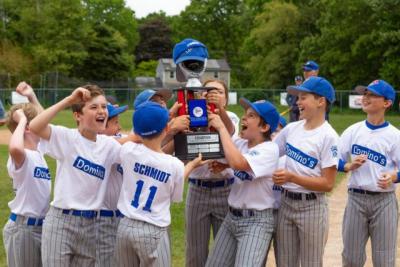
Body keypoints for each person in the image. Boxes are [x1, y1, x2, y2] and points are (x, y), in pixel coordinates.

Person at [29, 85, 123, 266]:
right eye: (94, 107)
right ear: (78, 115)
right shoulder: (67, 137)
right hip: (61, 222)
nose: (102, 111)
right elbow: (35, 126)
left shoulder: (109, 146)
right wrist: (69, 100)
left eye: (104, 107)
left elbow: (137, 156)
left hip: (91, 225)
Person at [115, 101, 207, 266]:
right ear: (166, 129)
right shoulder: (173, 164)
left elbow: (120, 143)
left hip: (125, 226)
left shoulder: (127, 150)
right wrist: (191, 166)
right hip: (153, 229)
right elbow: (175, 192)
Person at [272, 76, 339, 267]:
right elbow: (269, 154)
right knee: (285, 263)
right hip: (286, 203)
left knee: (311, 263)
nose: (298, 102)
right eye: (297, 98)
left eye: (303, 97)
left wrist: (292, 177)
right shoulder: (291, 129)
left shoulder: (329, 136)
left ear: (321, 101)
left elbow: (328, 184)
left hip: (312, 207)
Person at [205, 97, 280, 266]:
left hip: (256, 221)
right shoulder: (241, 143)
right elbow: (233, 158)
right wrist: (224, 165)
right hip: (231, 217)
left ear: (265, 127)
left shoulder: (270, 149)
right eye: (245, 114)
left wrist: (222, 128)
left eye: (252, 116)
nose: (244, 118)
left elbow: (239, 163)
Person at [338, 79, 400, 267]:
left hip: (384, 202)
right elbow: (332, 160)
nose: (365, 97)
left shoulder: (395, 135)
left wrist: (393, 177)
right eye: (365, 94)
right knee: (351, 259)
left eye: (372, 94)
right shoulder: (352, 131)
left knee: (384, 261)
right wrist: (348, 166)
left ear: (387, 103)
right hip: (356, 199)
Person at [185, 79, 238, 267]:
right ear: (202, 94)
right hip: (197, 189)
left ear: (226, 99)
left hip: (224, 190)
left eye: (219, 92)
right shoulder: (192, 115)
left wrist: (218, 110)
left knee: (225, 250)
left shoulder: (230, 117)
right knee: (195, 251)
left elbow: (230, 131)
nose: (214, 94)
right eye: (209, 91)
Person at [3, 82, 49, 267]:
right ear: (29, 128)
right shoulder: (22, 156)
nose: (44, 126)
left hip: (40, 227)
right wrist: (21, 119)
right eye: (38, 123)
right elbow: (14, 146)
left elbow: (46, 120)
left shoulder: (39, 152)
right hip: (23, 229)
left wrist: (32, 97)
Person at [95, 103, 128, 267]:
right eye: (115, 122)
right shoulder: (100, 143)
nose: (119, 126)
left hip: (119, 217)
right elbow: (135, 140)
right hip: (103, 219)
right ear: (101, 126)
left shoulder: (116, 140)